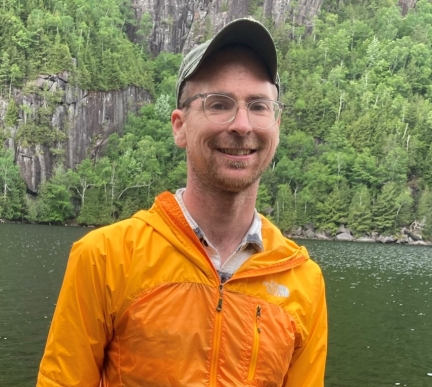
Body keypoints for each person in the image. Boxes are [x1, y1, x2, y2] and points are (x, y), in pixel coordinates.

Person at [36, 17, 327, 387]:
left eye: (258, 106)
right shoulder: (104, 257)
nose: (241, 124)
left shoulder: (304, 281)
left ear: (277, 126)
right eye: (218, 104)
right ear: (179, 126)